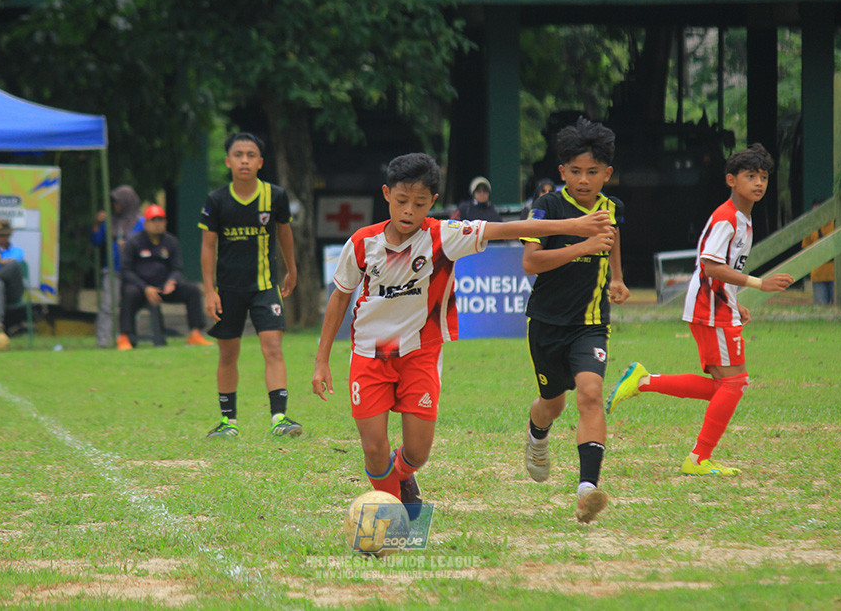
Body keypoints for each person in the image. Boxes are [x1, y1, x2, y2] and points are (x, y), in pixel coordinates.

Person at [311, 152, 613, 519]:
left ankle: (402, 474)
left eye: (420, 204)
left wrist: (577, 226)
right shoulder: (362, 243)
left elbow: (509, 229)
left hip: (420, 353)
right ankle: (396, 519)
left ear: (433, 203)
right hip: (369, 356)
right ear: (386, 194)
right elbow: (340, 296)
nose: (409, 211)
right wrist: (322, 359)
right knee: (373, 446)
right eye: (402, 201)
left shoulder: (444, 236)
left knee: (417, 453)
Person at [606, 143, 794, 476]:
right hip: (710, 307)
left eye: (763, 176)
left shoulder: (744, 220)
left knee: (727, 385)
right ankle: (697, 459)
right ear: (731, 180)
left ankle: (644, 381)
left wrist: (736, 303)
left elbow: (723, 267)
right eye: (750, 176)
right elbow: (709, 265)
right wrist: (757, 284)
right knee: (734, 384)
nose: (759, 183)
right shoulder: (726, 218)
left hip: (718, 306)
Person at [520, 117, 629, 524]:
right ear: (562, 172)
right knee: (553, 403)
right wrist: (582, 244)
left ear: (607, 174)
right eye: (576, 172)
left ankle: (587, 490)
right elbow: (531, 262)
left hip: (591, 322)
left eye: (593, 172)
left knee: (590, 392)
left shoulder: (612, 208)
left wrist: (616, 277)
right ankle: (536, 433)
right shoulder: (547, 207)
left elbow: (611, 238)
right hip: (547, 322)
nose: (584, 180)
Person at [200, 132, 301, 439]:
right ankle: (228, 422)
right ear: (228, 161)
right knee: (228, 354)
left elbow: (284, 234)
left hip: (265, 286)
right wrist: (209, 290)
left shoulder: (275, 196)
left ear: (260, 162)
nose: (245, 160)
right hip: (228, 289)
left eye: (251, 155)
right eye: (239, 154)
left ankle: (279, 418)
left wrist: (292, 270)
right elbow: (207, 247)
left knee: (273, 348)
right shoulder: (216, 200)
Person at [117, 204, 212, 350]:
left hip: (164, 287)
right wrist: (145, 288)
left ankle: (195, 333)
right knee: (129, 292)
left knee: (192, 290)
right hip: (141, 288)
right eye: (153, 220)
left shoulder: (171, 241)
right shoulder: (134, 242)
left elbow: (177, 267)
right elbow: (126, 270)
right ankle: (125, 336)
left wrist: (172, 281)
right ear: (146, 223)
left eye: (160, 220)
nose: (157, 224)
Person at [91, 185, 145, 347]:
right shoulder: (110, 222)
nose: (115, 206)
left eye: (117, 202)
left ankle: (128, 339)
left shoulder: (141, 222)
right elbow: (96, 241)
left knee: (130, 305)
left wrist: (129, 246)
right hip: (113, 269)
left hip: (135, 271)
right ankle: (103, 342)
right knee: (108, 306)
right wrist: (96, 224)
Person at [801, 200, 834, 305]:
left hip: (836, 273)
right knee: (820, 309)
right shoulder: (811, 227)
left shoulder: (835, 223)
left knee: (839, 308)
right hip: (818, 274)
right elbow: (806, 249)